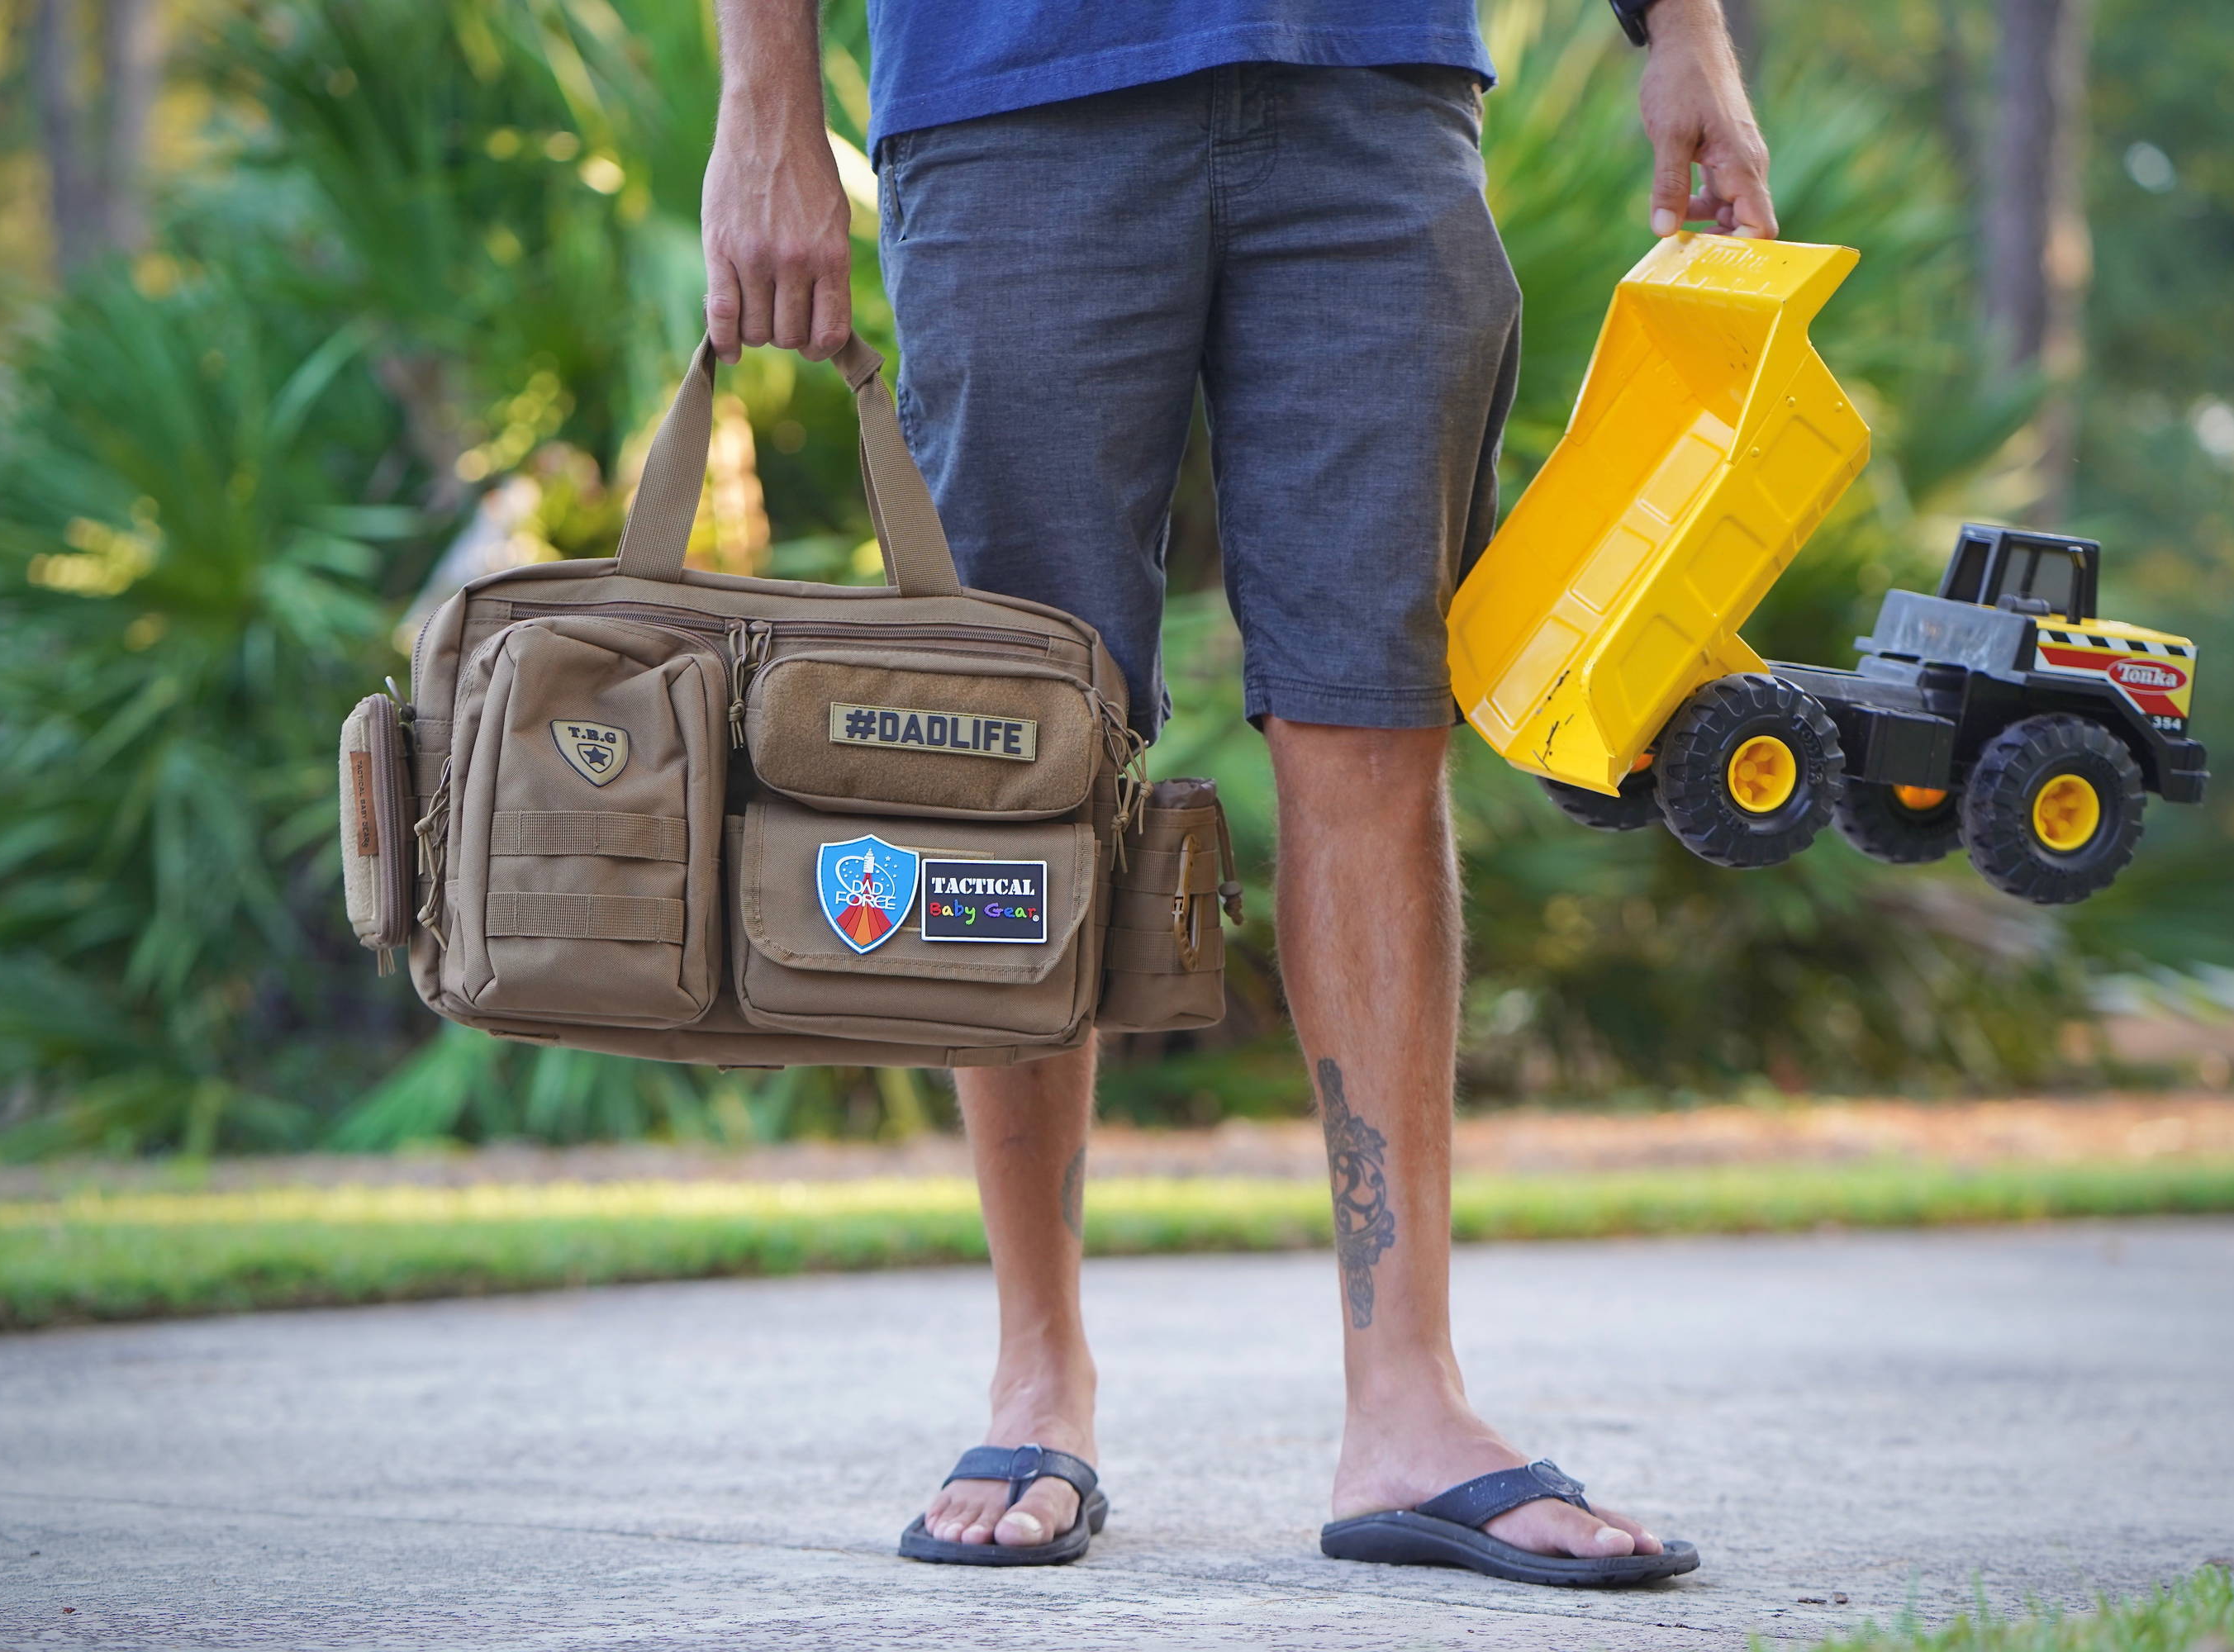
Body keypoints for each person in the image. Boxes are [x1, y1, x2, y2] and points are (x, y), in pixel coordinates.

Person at [699, 0, 1775, 1585]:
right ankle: (1036, 1377)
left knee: (1374, 730)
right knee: (1010, 753)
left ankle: (1409, 1409)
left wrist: (1686, 30)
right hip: (1015, 101)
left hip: (1373, 86)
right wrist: (763, 101)